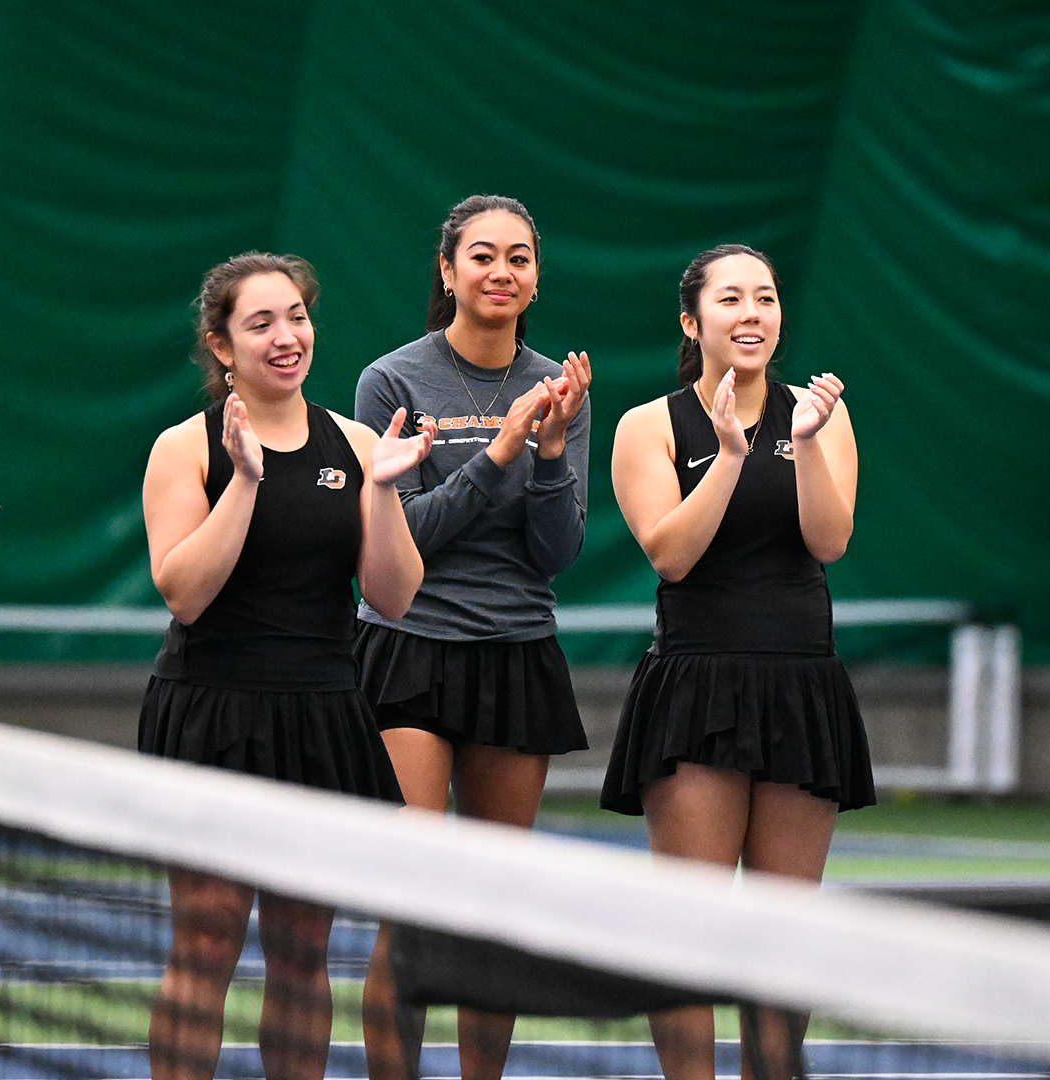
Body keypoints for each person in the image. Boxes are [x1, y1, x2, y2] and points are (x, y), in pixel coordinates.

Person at [138, 252, 430, 1080]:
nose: (285, 336)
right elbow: (184, 594)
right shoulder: (183, 447)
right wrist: (246, 484)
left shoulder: (360, 442)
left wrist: (380, 495)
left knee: (303, 947)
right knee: (207, 938)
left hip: (322, 713)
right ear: (220, 345)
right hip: (212, 710)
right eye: (260, 322)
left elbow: (395, 595)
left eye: (296, 316)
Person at [603, 244, 868, 1080]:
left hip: (802, 683)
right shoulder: (648, 425)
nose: (752, 313)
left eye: (765, 298)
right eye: (731, 299)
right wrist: (727, 455)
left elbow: (829, 540)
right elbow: (670, 555)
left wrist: (807, 443)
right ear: (693, 321)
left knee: (786, 933)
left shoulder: (819, 412)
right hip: (697, 685)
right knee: (691, 933)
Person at [352, 194, 591, 1080]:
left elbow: (556, 552)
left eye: (519, 258)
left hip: (517, 654)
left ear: (536, 278)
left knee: (494, 910)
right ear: (448, 271)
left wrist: (554, 448)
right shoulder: (391, 382)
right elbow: (403, 535)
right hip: (407, 648)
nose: (502, 272)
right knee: (410, 902)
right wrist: (501, 452)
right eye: (482, 256)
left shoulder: (558, 387)